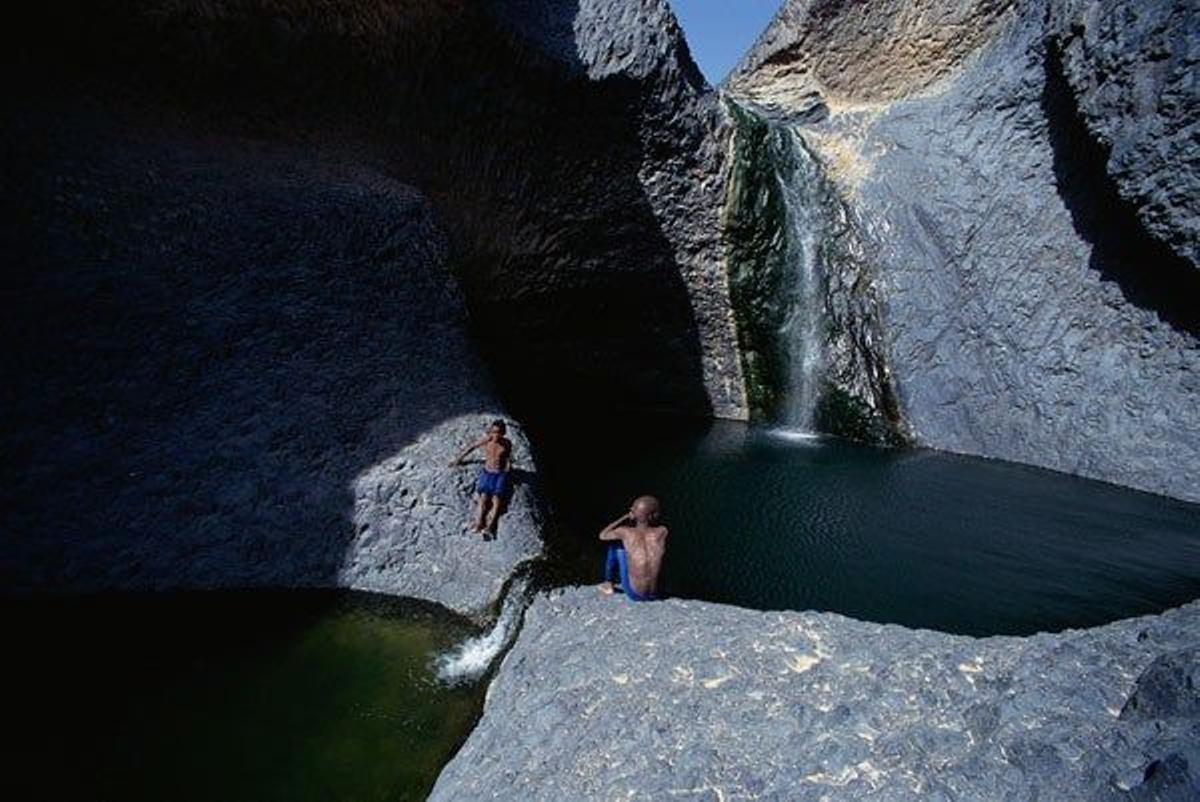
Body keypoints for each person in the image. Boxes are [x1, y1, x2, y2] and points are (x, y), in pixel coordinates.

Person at [598, 495, 668, 601]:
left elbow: (602, 535)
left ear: (634, 514)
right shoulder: (663, 532)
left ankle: (608, 582)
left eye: (634, 509)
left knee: (615, 546)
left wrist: (625, 517)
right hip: (655, 594)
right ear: (653, 516)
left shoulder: (625, 532)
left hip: (635, 595)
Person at [450, 419, 513, 535]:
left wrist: (508, 469)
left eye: (498, 432)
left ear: (503, 433)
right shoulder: (487, 440)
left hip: (499, 474)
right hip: (487, 472)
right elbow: (471, 447)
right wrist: (458, 460)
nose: (495, 435)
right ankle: (479, 523)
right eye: (493, 431)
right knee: (483, 498)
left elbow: (508, 457)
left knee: (496, 501)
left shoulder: (506, 443)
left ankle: (490, 526)